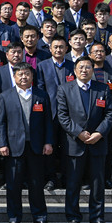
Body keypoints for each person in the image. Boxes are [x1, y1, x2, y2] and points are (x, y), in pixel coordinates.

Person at [57, 56, 112, 223]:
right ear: (74, 70)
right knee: (73, 183)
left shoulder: (102, 89)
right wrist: (78, 133)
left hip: (97, 143)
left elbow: (110, 114)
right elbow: (62, 116)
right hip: (75, 144)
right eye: (81, 67)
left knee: (97, 184)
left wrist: (99, 133)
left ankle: (97, 217)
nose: (84, 70)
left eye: (88, 67)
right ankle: (73, 217)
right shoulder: (64, 89)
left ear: (92, 70)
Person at [0, 62, 53, 223]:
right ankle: (14, 216)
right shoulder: (5, 96)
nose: (24, 77)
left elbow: (48, 122)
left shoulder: (41, 95)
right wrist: (2, 144)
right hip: (14, 146)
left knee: (36, 183)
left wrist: (48, 142)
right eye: (20, 74)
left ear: (32, 76)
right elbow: (1, 123)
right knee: (14, 184)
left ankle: (40, 216)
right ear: (14, 77)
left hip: (36, 146)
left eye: (27, 74)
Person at [36, 36, 75, 191]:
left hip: (69, 114)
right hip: (50, 113)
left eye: (61, 47)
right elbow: (40, 89)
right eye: (55, 47)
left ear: (67, 49)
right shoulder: (42, 66)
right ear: (50, 49)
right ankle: (51, 178)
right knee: (49, 148)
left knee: (67, 148)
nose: (58, 50)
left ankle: (67, 178)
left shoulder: (73, 66)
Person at [89, 42, 112, 190]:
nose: (99, 54)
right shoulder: (85, 72)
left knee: (108, 151)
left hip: (108, 119)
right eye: (95, 51)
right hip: (90, 118)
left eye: (101, 51)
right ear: (90, 54)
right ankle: (89, 180)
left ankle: (107, 179)